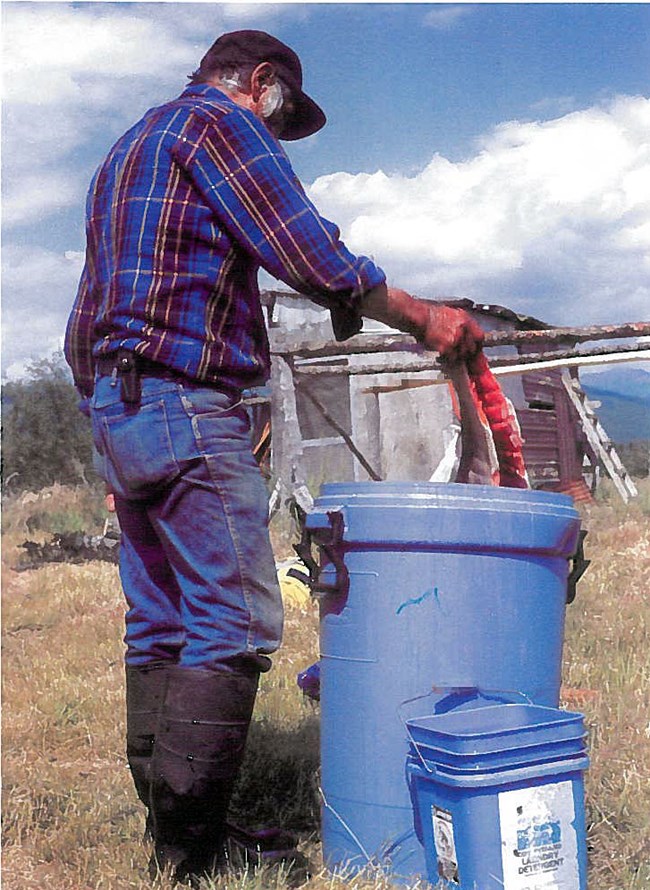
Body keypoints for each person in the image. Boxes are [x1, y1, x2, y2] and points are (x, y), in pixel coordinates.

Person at [64, 29, 484, 885]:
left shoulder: (127, 150)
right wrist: (424, 318)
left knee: (161, 619)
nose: (278, 133)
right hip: (185, 397)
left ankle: (173, 828)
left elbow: (88, 311)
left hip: (121, 402)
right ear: (260, 82)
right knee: (232, 619)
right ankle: (193, 850)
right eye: (282, 113)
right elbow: (308, 252)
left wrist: (111, 421)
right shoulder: (220, 125)